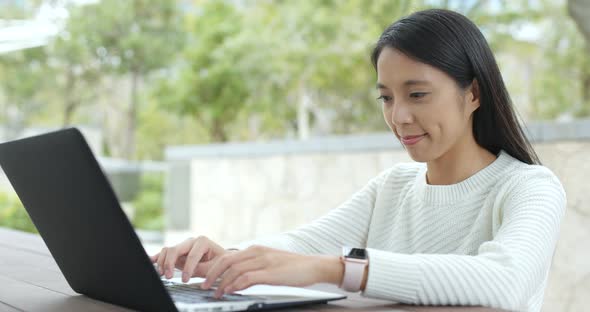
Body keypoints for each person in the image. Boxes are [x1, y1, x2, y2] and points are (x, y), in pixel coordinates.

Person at [150, 8, 566, 312]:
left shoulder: (529, 187)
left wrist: (341, 270)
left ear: (473, 94)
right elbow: (301, 247)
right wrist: (228, 260)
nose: (398, 116)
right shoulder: (393, 187)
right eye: (386, 97)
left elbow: (505, 281)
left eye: (417, 94)